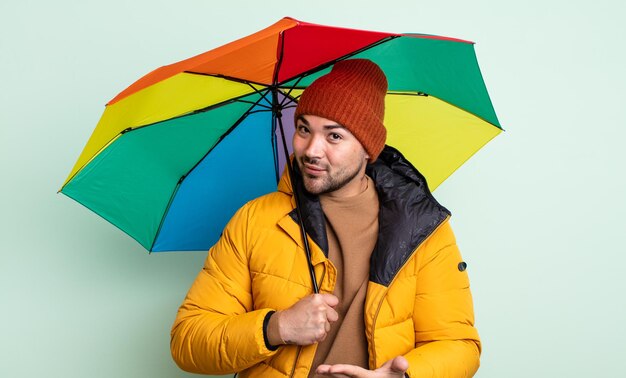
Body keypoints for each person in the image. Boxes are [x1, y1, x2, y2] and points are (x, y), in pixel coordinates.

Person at [170, 59, 481, 377]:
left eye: (333, 137)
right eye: (304, 129)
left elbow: (459, 345)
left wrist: (405, 376)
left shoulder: (422, 228)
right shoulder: (254, 220)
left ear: (367, 147)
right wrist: (277, 327)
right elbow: (188, 340)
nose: (311, 150)